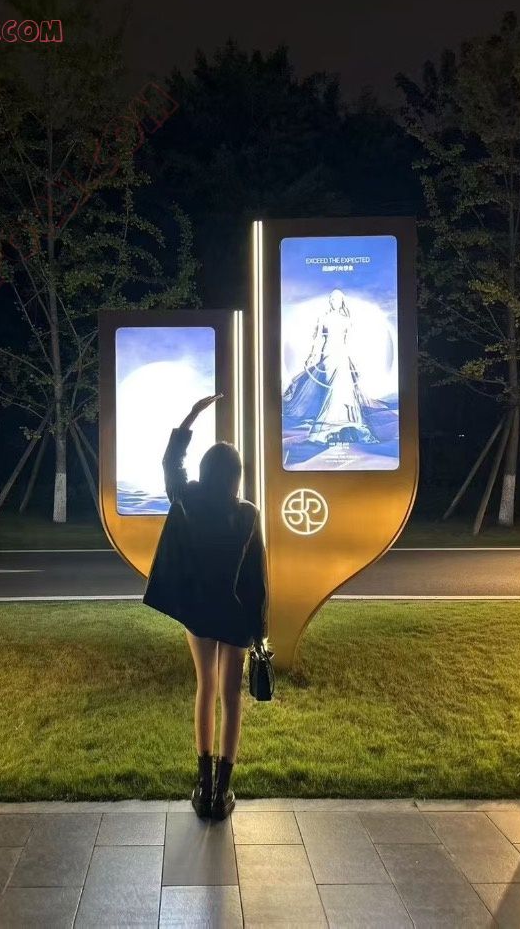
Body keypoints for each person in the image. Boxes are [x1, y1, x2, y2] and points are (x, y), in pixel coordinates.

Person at [143, 394, 268, 820]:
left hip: (198, 612)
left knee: (206, 689)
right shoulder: (248, 514)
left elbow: (170, 463)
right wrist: (259, 630)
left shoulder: (189, 500)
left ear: (205, 470)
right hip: (236, 616)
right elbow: (257, 578)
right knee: (231, 697)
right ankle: (222, 791)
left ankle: (203, 784)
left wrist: (192, 416)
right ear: (236, 477)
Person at [283, 289, 378, 445]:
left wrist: (355, 361)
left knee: (344, 390)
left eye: (337, 299)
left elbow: (350, 342)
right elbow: (318, 340)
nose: (335, 302)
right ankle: (325, 430)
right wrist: (311, 356)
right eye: (332, 299)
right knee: (331, 389)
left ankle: (342, 426)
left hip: (343, 356)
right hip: (327, 356)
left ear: (342, 301)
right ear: (330, 301)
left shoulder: (346, 320)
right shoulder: (324, 318)